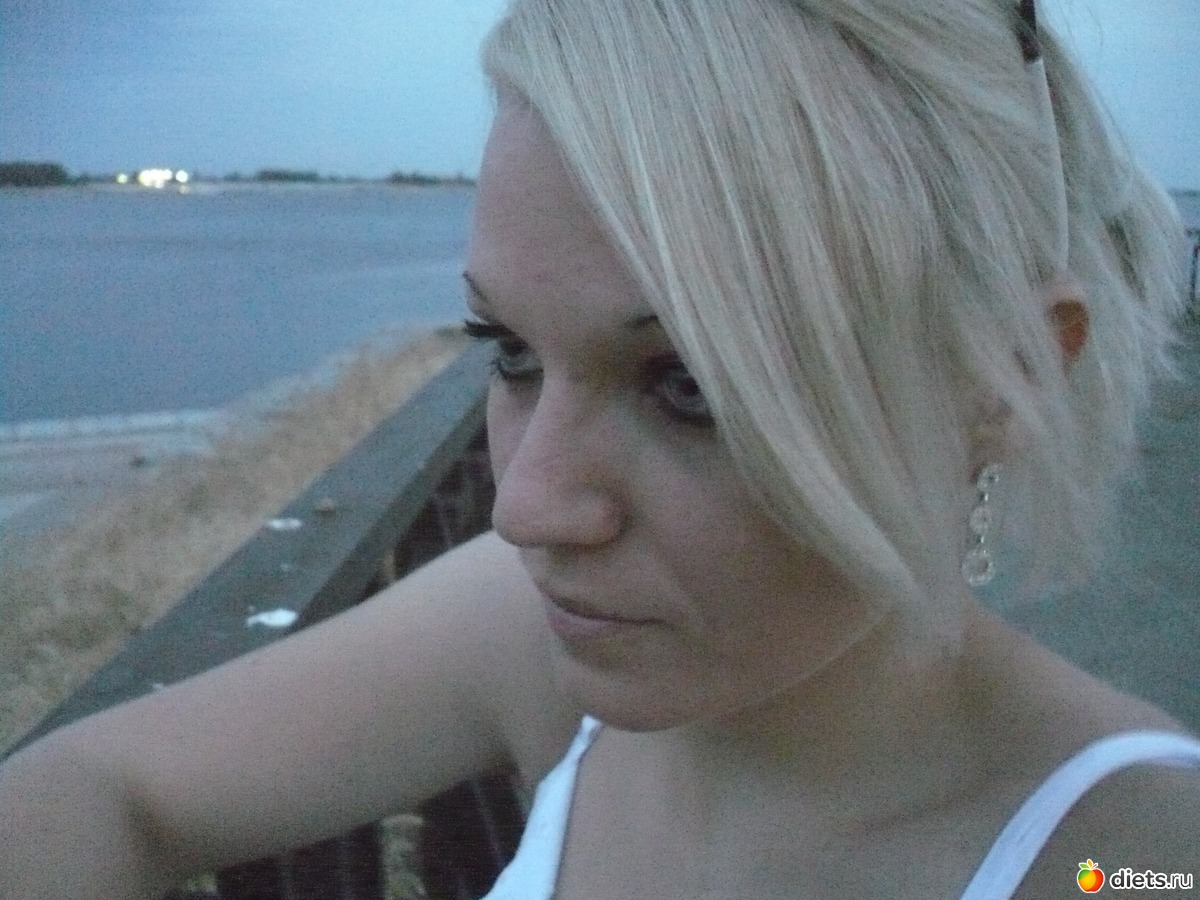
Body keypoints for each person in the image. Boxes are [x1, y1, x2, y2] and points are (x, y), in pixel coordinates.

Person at [2, 0, 1198, 897]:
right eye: (509, 351)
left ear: (1000, 384)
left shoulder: (1138, 856)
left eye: (691, 387)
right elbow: (96, 789)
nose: (524, 508)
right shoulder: (537, 638)